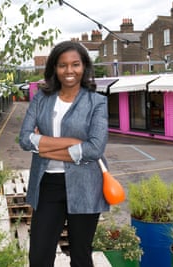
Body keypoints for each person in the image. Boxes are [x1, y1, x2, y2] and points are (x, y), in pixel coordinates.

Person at [19, 40, 110, 267]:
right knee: (39, 256)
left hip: (86, 184)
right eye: (62, 65)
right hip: (48, 184)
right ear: (54, 68)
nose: (69, 70)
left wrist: (44, 146)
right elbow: (24, 139)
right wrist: (73, 143)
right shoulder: (41, 98)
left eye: (75, 64)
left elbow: (95, 148)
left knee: (80, 256)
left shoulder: (97, 102)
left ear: (84, 67)